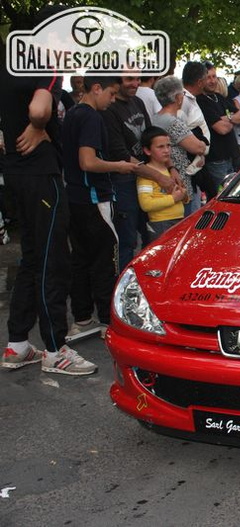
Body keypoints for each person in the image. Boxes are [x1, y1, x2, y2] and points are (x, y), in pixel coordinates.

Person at [0, 47, 94, 374]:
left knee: (32, 258)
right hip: (41, 175)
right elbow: (40, 109)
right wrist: (39, 124)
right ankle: (55, 350)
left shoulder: (10, 65)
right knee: (52, 261)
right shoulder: (44, 65)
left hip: (14, 172)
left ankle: (17, 345)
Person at [62, 75, 139, 361]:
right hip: (94, 197)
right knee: (106, 259)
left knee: (81, 259)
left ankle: (83, 317)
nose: (111, 100)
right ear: (96, 89)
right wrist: (118, 165)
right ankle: (109, 320)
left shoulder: (71, 114)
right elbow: (88, 161)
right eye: (110, 93)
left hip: (75, 197)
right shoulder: (92, 117)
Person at [102, 73, 174, 271]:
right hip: (123, 181)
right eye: (128, 79)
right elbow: (121, 154)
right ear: (117, 82)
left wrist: (170, 167)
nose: (134, 83)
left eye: (137, 78)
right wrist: (159, 175)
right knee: (127, 240)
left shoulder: (139, 102)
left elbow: (152, 138)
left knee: (152, 236)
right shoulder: (110, 109)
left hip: (147, 176)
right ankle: (123, 287)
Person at [151, 75, 209, 215]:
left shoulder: (154, 118)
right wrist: (202, 141)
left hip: (164, 181)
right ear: (178, 98)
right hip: (181, 183)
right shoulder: (173, 122)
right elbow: (199, 147)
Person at [197, 62, 240, 198]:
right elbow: (221, 129)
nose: (213, 81)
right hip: (217, 160)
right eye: (209, 77)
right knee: (223, 197)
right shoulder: (200, 101)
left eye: (214, 77)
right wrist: (231, 118)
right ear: (201, 80)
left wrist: (225, 118)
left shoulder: (219, 98)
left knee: (236, 195)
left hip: (232, 156)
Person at [137, 127, 188, 240]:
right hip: (160, 224)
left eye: (168, 145)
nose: (166, 150)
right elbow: (146, 204)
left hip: (179, 219)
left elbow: (182, 197)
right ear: (147, 150)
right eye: (160, 147)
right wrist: (174, 198)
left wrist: (183, 195)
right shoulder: (146, 175)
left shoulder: (171, 171)